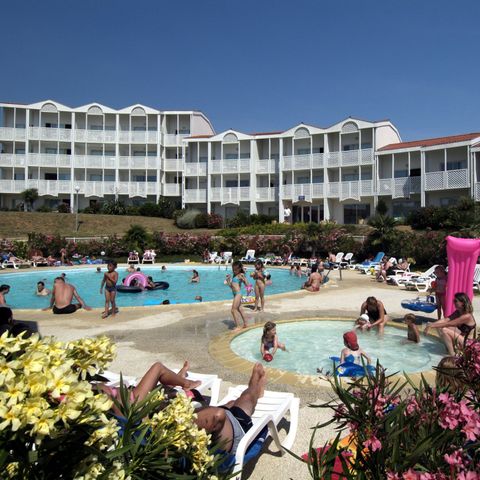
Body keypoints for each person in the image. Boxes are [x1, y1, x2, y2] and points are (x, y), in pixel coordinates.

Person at [195, 363, 266, 456]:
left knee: (232, 403)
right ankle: (255, 387)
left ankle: (255, 388)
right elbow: (218, 415)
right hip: (233, 428)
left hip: (224, 417)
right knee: (247, 398)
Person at [98, 361, 202, 417]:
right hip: (134, 403)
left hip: (133, 396)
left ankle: (179, 377)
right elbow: (119, 414)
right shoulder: (93, 400)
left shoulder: (88, 391)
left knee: (158, 390)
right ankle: (187, 383)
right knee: (158, 368)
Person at [225, 261, 249, 331]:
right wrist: (228, 280)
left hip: (238, 294)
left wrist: (249, 289)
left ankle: (238, 326)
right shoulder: (234, 276)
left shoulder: (240, 275)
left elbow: (246, 283)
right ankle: (246, 323)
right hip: (236, 294)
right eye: (233, 269)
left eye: (235, 269)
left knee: (233, 310)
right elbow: (231, 286)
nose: (234, 271)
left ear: (239, 269)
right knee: (240, 309)